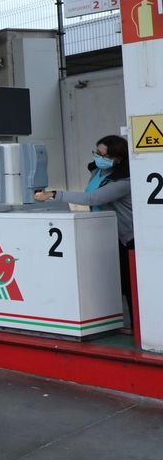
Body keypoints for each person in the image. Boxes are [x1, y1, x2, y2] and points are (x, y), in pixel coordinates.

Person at [35, 135, 135, 327]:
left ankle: (137, 326)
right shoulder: (98, 171)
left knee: (129, 284)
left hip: (126, 237)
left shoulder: (125, 180)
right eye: (96, 152)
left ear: (118, 157)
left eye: (102, 154)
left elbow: (93, 198)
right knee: (113, 282)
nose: (97, 156)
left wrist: (56, 194)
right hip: (104, 234)